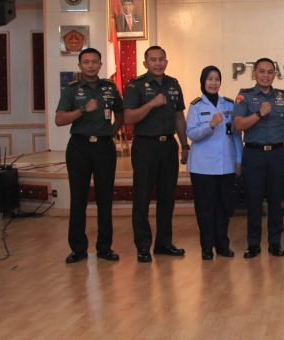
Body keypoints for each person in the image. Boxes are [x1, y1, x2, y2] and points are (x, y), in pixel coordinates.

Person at [55, 48, 123, 264]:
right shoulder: (71, 89)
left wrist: (111, 132)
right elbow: (59, 120)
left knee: (105, 199)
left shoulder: (110, 88)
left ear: (100, 65)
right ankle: (78, 249)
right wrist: (84, 109)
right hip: (79, 147)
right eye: (86, 62)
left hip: (104, 147)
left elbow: (121, 114)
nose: (91, 65)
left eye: (95, 62)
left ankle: (104, 247)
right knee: (78, 199)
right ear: (80, 65)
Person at [124, 46, 189, 263]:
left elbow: (179, 117)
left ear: (166, 62)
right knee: (142, 197)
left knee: (167, 197)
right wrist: (151, 103)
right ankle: (143, 246)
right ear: (145, 63)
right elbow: (129, 118)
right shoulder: (135, 85)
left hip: (168, 145)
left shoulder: (173, 84)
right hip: (145, 146)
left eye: (161, 59)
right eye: (153, 59)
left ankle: (164, 243)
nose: (158, 63)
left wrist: (184, 145)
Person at [233, 58, 284, 259]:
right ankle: (253, 244)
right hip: (254, 154)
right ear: (254, 73)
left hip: (277, 154)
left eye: (270, 72)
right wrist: (259, 114)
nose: (265, 75)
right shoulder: (244, 96)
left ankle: (275, 243)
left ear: (274, 75)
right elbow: (238, 125)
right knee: (254, 201)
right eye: (261, 71)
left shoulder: (281, 97)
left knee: (276, 200)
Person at [186, 66, 243, 260]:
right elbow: (192, 134)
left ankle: (222, 245)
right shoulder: (196, 106)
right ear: (203, 82)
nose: (213, 83)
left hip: (226, 165)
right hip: (203, 167)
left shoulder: (229, 104)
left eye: (217, 79)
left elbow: (236, 135)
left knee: (224, 207)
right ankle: (206, 247)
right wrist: (210, 125)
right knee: (205, 209)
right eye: (209, 79)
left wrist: (239, 160)